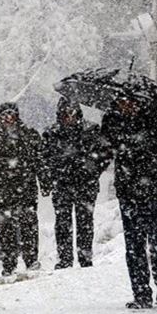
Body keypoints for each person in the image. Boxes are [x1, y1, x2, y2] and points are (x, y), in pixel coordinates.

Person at [101, 97, 157, 309]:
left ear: (139, 102)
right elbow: (103, 153)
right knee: (134, 246)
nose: (126, 106)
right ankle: (141, 293)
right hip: (130, 193)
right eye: (121, 102)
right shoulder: (114, 121)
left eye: (129, 102)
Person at [0, 102, 43, 277]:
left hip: (25, 188)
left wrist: (45, 182)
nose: (8, 118)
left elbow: (40, 162)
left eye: (11, 114)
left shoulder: (29, 135)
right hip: (2, 190)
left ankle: (31, 259)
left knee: (28, 226)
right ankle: (9, 263)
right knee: (6, 229)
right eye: (5, 114)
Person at [41, 97, 110, 269]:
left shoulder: (92, 130)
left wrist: (92, 170)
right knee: (63, 222)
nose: (69, 117)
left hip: (85, 184)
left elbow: (105, 154)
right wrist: (52, 175)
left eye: (72, 113)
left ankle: (85, 257)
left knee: (85, 221)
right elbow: (43, 159)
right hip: (62, 184)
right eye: (65, 113)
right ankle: (65, 258)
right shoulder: (51, 134)